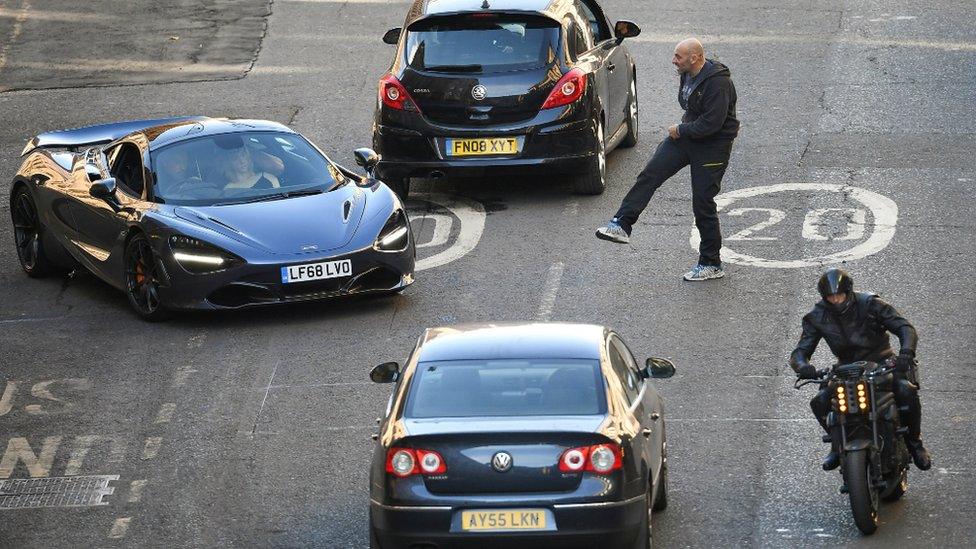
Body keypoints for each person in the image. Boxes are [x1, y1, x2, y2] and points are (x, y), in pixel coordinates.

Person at [596, 37, 739, 282]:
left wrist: (681, 131)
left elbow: (713, 123)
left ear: (695, 58)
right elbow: (692, 107)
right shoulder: (687, 73)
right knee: (651, 174)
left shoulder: (718, 84)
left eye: (678, 57)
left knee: (703, 203)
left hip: (712, 145)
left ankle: (711, 263)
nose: (674, 61)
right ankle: (622, 224)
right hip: (689, 134)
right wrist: (684, 130)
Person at [790, 268, 932, 471]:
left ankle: (915, 444)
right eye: (831, 297)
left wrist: (906, 354)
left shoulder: (871, 304)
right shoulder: (816, 316)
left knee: (905, 391)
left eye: (839, 295)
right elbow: (800, 351)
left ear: (849, 292)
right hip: (845, 369)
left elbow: (904, 328)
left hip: (883, 362)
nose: (836, 300)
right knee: (820, 402)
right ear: (824, 297)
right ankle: (837, 445)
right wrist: (804, 367)